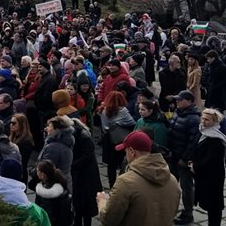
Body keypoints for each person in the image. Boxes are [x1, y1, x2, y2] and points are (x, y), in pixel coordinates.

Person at [96, 131, 181, 226]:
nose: (125, 155)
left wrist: (102, 202)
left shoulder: (125, 182)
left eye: (125, 151)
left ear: (132, 152)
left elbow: (109, 220)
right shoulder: (172, 180)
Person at [168, 90, 201, 225]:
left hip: (183, 159)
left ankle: (188, 213)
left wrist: (185, 158)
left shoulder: (193, 118)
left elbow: (193, 142)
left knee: (186, 187)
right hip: (173, 155)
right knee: (172, 184)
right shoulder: (179, 112)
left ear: (189, 102)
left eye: (180, 100)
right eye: (177, 99)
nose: (177, 102)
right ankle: (171, 208)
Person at [190, 108, 226, 226]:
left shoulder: (216, 139)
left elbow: (211, 159)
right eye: (203, 118)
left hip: (213, 176)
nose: (203, 121)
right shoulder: (202, 132)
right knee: (208, 201)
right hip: (204, 174)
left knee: (214, 205)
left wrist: (195, 166)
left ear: (214, 122)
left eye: (207, 120)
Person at [100, 91, 135, 188]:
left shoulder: (105, 111)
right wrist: (120, 123)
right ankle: (123, 185)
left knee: (111, 166)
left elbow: (104, 128)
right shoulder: (124, 111)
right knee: (124, 164)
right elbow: (132, 122)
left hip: (110, 141)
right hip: (123, 141)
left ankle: (112, 186)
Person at [71, 119, 101, 226]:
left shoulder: (83, 138)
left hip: (87, 176)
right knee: (79, 203)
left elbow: (86, 156)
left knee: (86, 204)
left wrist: (72, 164)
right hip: (82, 173)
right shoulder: (81, 136)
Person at [38, 115, 74, 193]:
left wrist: (34, 172)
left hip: (53, 186)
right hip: (64, 181)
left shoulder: (53, 148)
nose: (46, 128)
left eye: (49, 126)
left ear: (57, 130)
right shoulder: (65, 142)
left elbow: (46, 167)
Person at [34, 159, 73, 226]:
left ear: (43, 174)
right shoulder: (61, 185)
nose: (36, 172)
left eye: (37, 170)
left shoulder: (43, 193)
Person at [9, 113, 34, 184]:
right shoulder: (13, 137)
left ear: (21, 125)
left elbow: (23, 160)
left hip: (19, 174)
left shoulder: (26, 141)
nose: (11, 125)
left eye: (14, 123)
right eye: (10, 123)